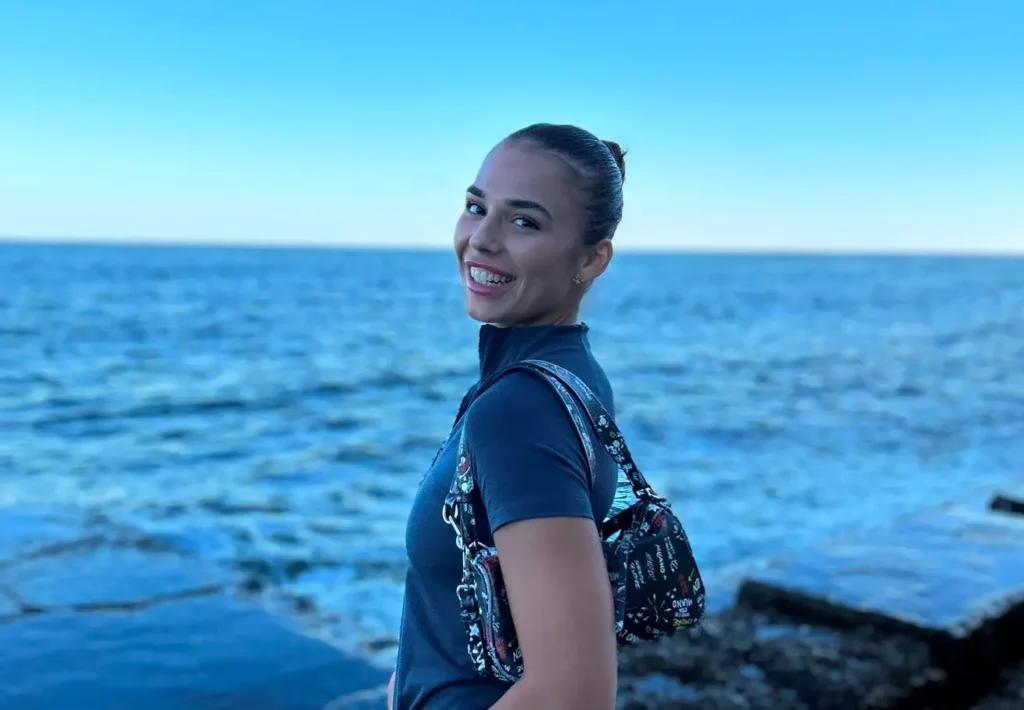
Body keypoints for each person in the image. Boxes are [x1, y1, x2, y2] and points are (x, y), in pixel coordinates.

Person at [390, 123, 627, 710]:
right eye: (476, 208)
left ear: (591, 259)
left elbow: (573, 695)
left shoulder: (521, 408)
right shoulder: (571, 375)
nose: (481, 239)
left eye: (524, 221)